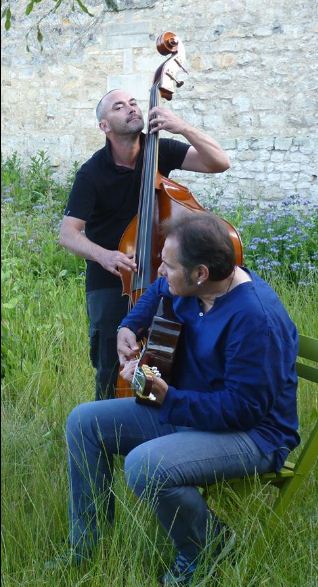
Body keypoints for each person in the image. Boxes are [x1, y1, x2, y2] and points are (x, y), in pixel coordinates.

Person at [65, 212, 299, 586]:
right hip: (191, 408)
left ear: (201, 272)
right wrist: (130, 325)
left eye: (168, 265)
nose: (159, 270)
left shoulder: (256, 319)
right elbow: (158, 292)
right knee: (84, 422)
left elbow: (241, 409)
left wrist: (167, 396)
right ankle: (86, 549)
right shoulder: (193, 287)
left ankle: (209, 546)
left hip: (253, 435)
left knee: (146, 465)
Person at [59, 89, 230, 400]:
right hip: (111, 281)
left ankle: (163, 427)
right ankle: (105, 432)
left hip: (165, 276)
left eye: (133, 103)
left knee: (175, 358)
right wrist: (104, 255)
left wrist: (184, 127)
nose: (131, 109)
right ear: (104, 126)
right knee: (111, 364)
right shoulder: (92, 173)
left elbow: (219, 162)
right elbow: (68, 233)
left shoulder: (159, 150)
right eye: (119, 106)